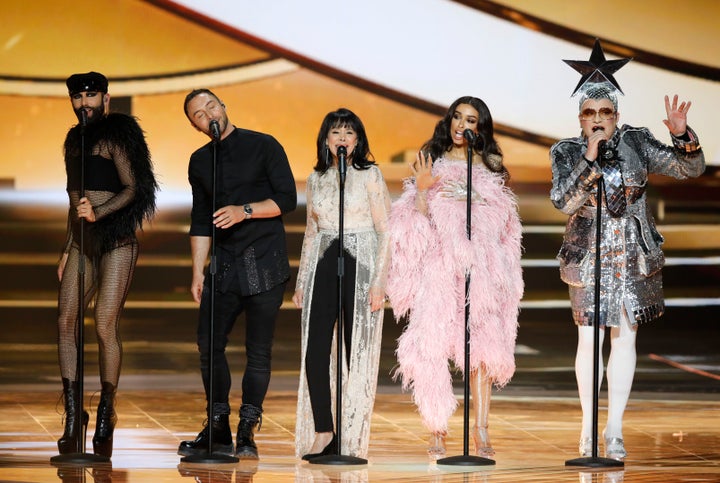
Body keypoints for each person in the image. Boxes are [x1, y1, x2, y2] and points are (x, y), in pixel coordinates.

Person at [550, 40, 705, 461]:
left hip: (633, 254)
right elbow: (563, 201)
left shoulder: (637, 141)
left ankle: (614, 429)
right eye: (589, 113)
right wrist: (589, 158)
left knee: (625, 338)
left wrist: (680, 136)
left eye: (605, 112)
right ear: (579, 118)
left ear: (616, 115)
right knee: (588, 339)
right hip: (588, 255)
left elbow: (691, 168)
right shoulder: (566, 151)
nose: (598, 119)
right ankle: (586, 428)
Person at [387, 96, 523, 459]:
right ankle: (437, 429)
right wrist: (421, 187)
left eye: (471, 120)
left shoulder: (492, 167)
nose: (463, 125)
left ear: (481, 128)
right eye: (458, 118)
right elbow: (414, 221)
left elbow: (506, 227)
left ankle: (480, 430)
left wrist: (504, 273)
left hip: (481, 271)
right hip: (441, 268)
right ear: (449, 121)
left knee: (482, 351)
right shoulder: (431, 160)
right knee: (433, 347)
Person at [178, 89, 297, 459]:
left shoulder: (264, 145)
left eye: (211, 106)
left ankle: (247, 429)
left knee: (258, 352)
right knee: (208, 346)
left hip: (263, 261)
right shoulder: (200, 162)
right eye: (198, 114)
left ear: (223, 106)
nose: (208, 114)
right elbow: (200, 220)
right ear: (195, 126)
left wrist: (244, 210)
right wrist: (198, 270)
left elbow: (287, 198)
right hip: (224, 266)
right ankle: (217, 426)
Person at [56, 71, 157, 457]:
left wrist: (99, 212)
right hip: (82, 243)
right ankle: (71, 413)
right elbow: (73, 199)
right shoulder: (73, 141)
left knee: (103, 322)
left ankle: (106, 411)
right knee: (66, 320)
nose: (85, 103)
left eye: (91, 96)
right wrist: (68, 247)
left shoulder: (118, 135)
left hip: (116, 241)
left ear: (105, 98)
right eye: (78, 98)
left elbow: (136, 188)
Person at [293, 108, 391, 460]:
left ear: (358, 140)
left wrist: (380, 281)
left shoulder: (370, 175)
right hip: (324, 262)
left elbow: (385, 230)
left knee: (356, 353)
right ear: (325, 139)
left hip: (360, 263)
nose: (342, 139)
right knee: (315, 353)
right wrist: (303, 279)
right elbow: (311, 232)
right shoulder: (316, 178)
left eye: (349, 133)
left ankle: (350, 436)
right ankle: (324, 430)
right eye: (336, 132)